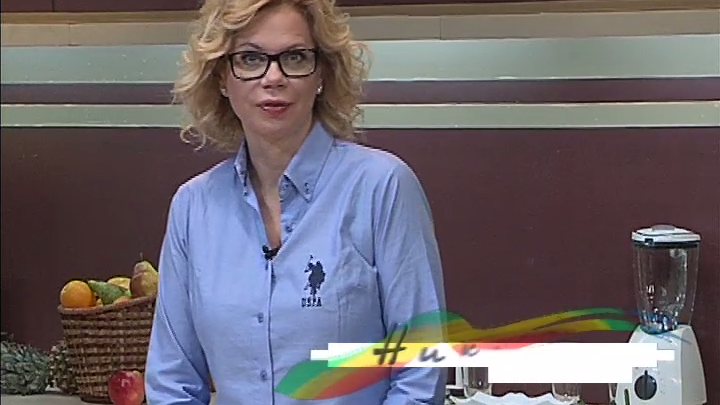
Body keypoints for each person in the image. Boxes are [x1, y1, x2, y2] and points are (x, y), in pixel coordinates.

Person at [144, 0, 447, 403]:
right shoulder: (193, 207)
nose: (274, 77)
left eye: (295, 57)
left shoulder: (381, 187)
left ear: (322, 73)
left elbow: (420, 371)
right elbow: (172, 380)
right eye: (250, 59)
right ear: (221, 78)